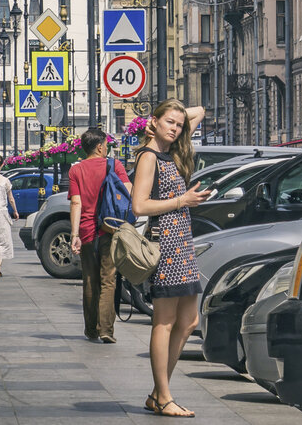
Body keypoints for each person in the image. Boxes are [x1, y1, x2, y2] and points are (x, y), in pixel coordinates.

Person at [131, 100, 210, 418]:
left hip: (183, 243)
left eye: (179, 124)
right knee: (163, 322)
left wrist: (167, 121)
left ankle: (157, 393)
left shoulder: (172, 147)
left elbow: (200, 110)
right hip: (166, 244)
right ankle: (163, 396)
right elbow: (139, 206)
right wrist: (183, 199)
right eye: (169, 123)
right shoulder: (149, 156)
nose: (176, 128)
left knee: (189, 321)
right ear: (155, 122)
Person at [69, 127, 132, 344]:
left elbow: (75, 202)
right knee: (108, 280)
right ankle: (106, 330)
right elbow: (128, 193)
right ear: (99, 146)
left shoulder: (76, 171)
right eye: (106, 144)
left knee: (89, 279)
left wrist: (74, 233)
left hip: (86, 231)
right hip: (110, 228)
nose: (107, 148)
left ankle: (90, 329)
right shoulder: (114, 165)